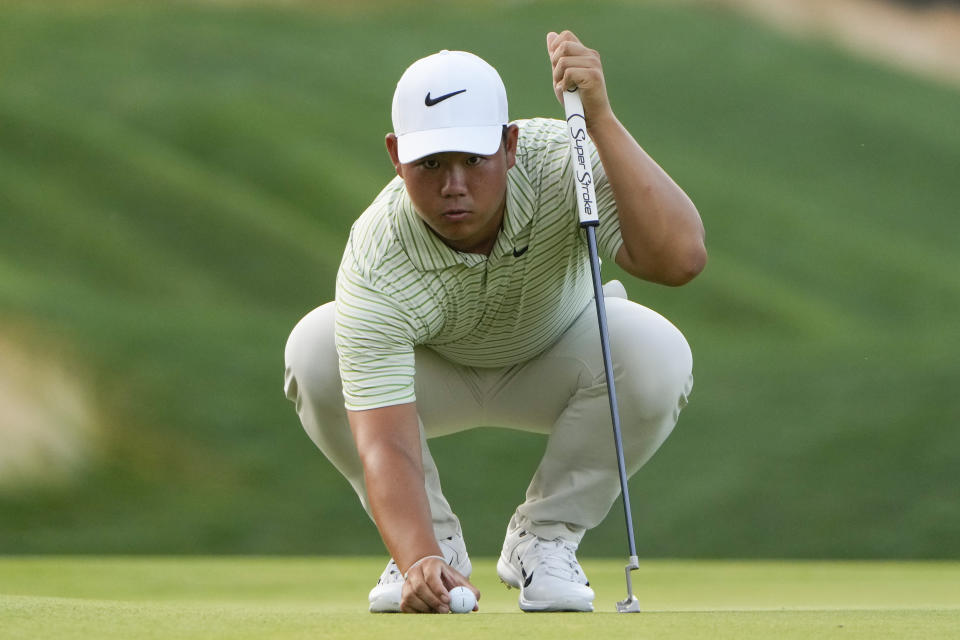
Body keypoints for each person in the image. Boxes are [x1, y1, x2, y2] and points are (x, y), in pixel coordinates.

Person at [283, 30, 705, 614]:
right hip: (437, 372)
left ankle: (546, 539)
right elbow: (382, 442)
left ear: (508, 145)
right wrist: (417, 555)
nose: (453, 186)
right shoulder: (377, 251)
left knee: (658, 352)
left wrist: (601, 117)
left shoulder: (564, 160)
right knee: (314, 349)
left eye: (473, 160)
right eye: (430, 163)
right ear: (395, 156)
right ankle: (434, 552)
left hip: (561, 353)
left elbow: (679, 259)